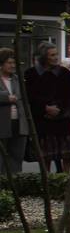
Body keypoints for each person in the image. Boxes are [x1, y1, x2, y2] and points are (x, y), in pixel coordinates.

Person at [25, 41, 70, 172]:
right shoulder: (31, 74)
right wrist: (44, 109)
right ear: (43, 57)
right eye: (52, 55)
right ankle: (47, 182)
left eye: (56, 54)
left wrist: (61, 111)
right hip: (42, 121)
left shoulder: (65, 73)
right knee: (45, 156)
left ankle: (65, 179)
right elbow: (29, 97)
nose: (55, 57)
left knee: (66, 154)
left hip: (62, 120)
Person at [0, 48, 28, 176]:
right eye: (9, 62)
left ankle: (15, 183)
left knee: (16, 155)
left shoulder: (18, 79)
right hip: (2, 123)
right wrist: (6, 97)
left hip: (19, 121)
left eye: (14, 63)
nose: (12, 66)